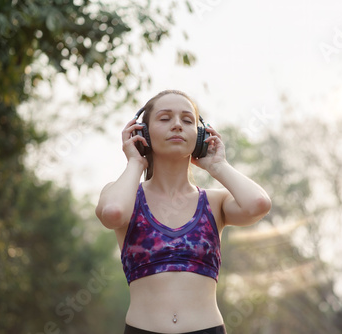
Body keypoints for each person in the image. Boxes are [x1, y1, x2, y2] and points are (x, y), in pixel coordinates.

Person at [95, 90, 272, 334]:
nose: (177, 125)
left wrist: (218, 166)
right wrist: (135, 162)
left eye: (187, 120)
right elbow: (113, 213)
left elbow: (258, 204)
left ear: (199, 136)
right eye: (165, 118)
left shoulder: (214, 201)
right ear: (142, 133)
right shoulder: (120, 195)